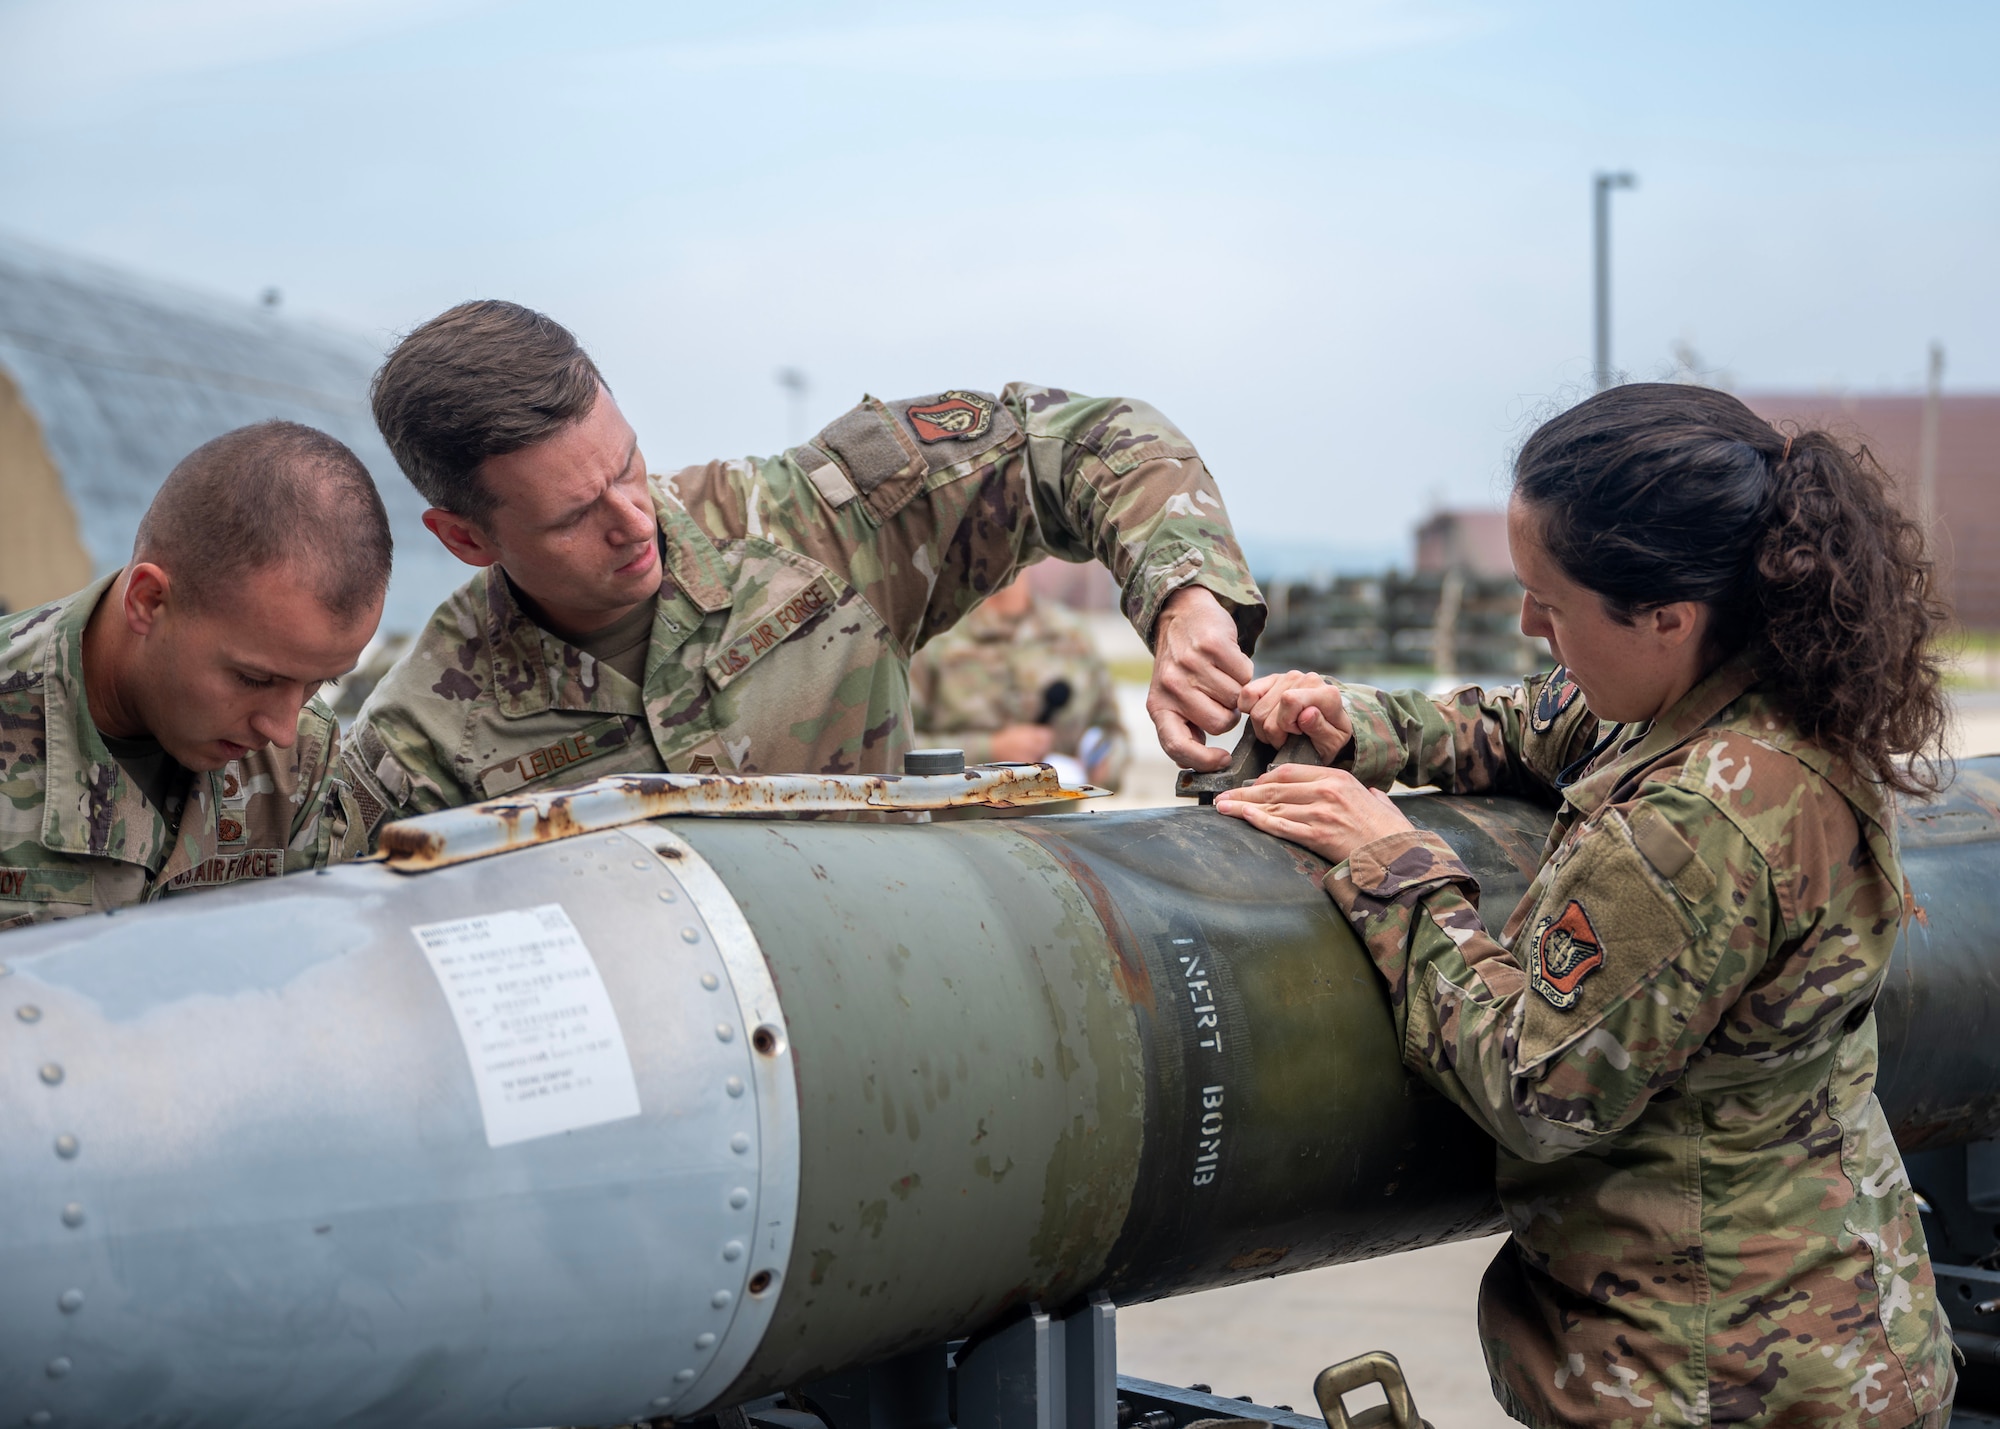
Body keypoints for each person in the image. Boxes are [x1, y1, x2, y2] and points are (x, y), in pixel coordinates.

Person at [1216, 384, 1954, 1428]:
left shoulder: (1700, 824)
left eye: (1550, 604)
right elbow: (1536, 720)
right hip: (1820, 1328)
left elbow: (1536, 1085)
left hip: (1719, 1380)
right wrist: (1356, 724)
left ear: (1664, 615)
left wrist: (1391, 862)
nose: (1527, 624)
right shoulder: (1747, 676)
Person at [341, 301, 1260, 839]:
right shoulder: (426, 746)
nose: (633, 521)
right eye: (576, 515)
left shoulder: (812, 524)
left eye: (628, 466)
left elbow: (1080, 438)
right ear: (466, 538)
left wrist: (1185, 597)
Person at [0, 421, 389, 930]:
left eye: (322, 682)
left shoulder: (303, 756)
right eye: (254, 678)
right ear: (149, 601)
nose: (283, 729)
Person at [909, 573, 1130, 791]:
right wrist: (991, 750)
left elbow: (1110, 730)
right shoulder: (934, 638)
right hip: (961, 823)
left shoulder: (1071, 635)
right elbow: (900, 749)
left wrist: (1105, 764)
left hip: (1056, 824)